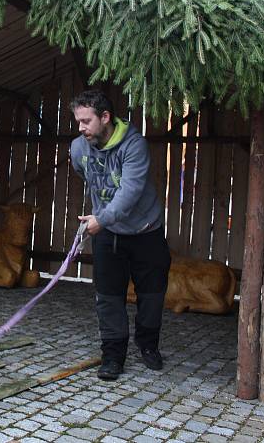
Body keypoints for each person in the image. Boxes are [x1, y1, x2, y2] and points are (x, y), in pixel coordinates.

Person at [70, 90, 170, 381]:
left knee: (151, 296)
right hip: (108, 233)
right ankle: (113, 355)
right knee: (108, 297)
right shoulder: (79, 148)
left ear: (105, 118)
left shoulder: (134, 145)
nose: (81, 128)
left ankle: (148, 345)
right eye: (78, 121)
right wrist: (103, 220)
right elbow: (82, 172)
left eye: (86, 121)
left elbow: (130, 192)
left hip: (145, 232)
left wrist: (101, 217)